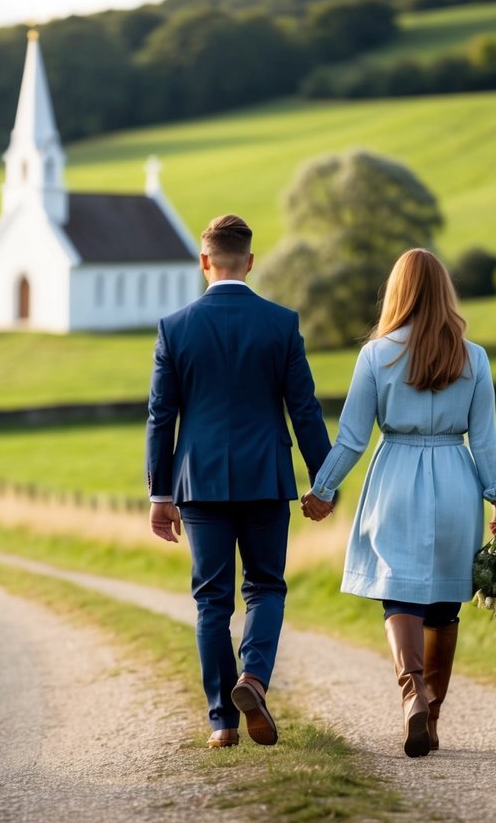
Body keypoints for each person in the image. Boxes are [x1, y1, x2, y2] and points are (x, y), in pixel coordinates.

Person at [301, 248, 496, 758]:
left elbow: (353, 437)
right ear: (445, 292)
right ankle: (434, 713)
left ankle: (412, 695)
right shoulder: (474, 357)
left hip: (396, 475)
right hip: (455, 479)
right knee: (444, 604)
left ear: (397, 292)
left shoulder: (377, 355)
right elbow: (484, 439)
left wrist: (323, 489)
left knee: (399, 594)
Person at [146, 214, 332, 749]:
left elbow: (161, 415)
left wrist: (160, 494)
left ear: (204, 261)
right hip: (266, 476)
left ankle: (221, 723)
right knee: (266, 587)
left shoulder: (174, 327)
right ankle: (253, 678)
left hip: (199, 481)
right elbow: (304, 407)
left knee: (212, 602)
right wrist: (323, 480)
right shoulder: (281, 323)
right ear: (250, 261)